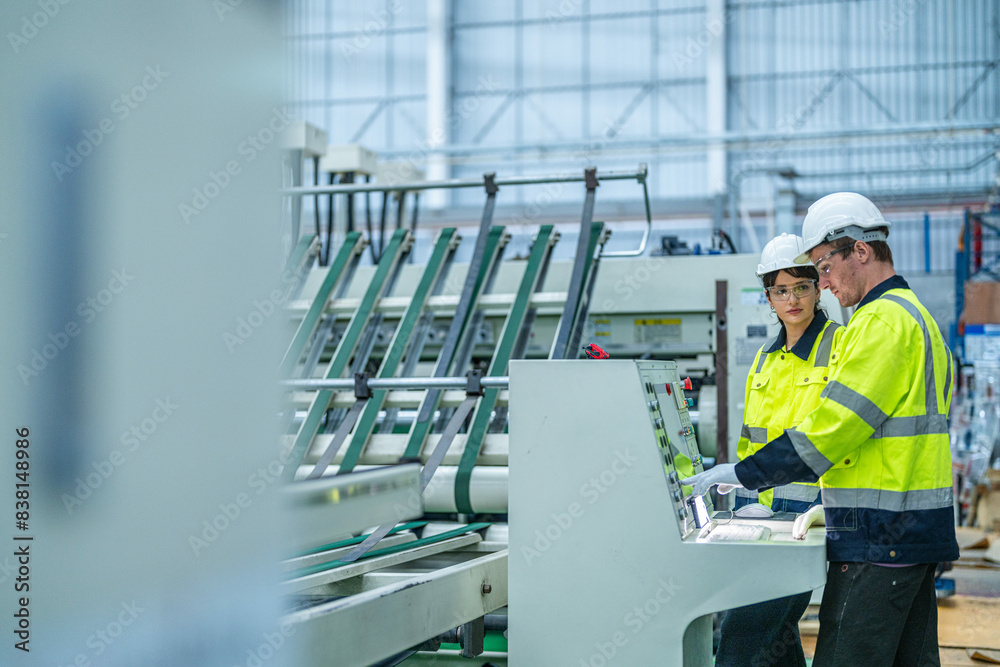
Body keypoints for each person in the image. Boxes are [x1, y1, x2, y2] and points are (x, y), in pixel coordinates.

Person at [683, 192, 958, 666]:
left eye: (821, 270)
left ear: (861, 251)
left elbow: (826, 435)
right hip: (905, 530)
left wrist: (741, 474)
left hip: (879, 535)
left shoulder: (880, 324)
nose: (823, 284)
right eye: (781, 288)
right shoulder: (914, 316)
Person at [714, 233, 841, 667]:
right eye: (780, 290)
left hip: (807, 521)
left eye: (801, 286)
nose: (792, 299)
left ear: (818, 287)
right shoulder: (765, 359)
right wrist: (737, 505)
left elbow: (840, 434)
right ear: (767, 296)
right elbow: (752, 440)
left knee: (741, 637)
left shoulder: (839, 347)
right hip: (758, 523)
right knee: (776, 638)